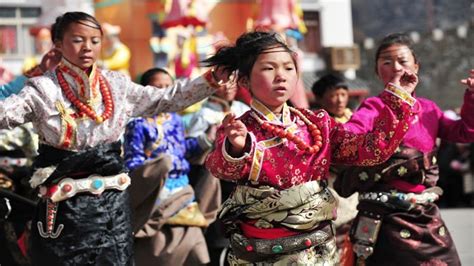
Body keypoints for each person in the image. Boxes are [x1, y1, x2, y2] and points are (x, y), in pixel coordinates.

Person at [0, 11, 228, 265]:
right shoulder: (42, 89)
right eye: (77, 40)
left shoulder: (117, 84)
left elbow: (166, 98)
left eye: (95, 40)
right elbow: (5, 112)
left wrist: (212, 79)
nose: (87, 47)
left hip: (113, 207)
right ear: (58, 43)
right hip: (66, 207)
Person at [203, 30, 417, 265]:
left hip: (317, 252)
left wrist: (399, 99)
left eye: (288, 67)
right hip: (260, 254)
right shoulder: (240, 129)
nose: (281, 76)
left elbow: (372, 150)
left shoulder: (318, 124)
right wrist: (236, 148)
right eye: (268, 68)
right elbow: (219, 168)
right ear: (244, 80)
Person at [334, 32, 474, 265]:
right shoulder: (372, 107)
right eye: (387, 62)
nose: (396, 67)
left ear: (416, 67)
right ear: (378, 72)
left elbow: (465, 131)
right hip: (385, 216)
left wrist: (471, 98)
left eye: (403, 61)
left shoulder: (428, 108)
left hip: (425, 213)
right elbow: (353, 133)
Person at [124, 67, 212, 265]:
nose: (164, 92)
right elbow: (133, 161)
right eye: (157, 87)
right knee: (159, 250)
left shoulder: (176, 119)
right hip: (156, 192)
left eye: (168, 87)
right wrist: (158, 168)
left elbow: (181, 150)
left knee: (196, 251)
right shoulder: (138, 124)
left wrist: (206, 140)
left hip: (182, 190)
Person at [311, 73, 358, 265]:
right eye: (333, 94)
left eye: (343, 94)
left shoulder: (357, 119)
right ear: (320, 98)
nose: (339, 99)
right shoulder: (314, 124)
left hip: (357, 185)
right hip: (328, 186)